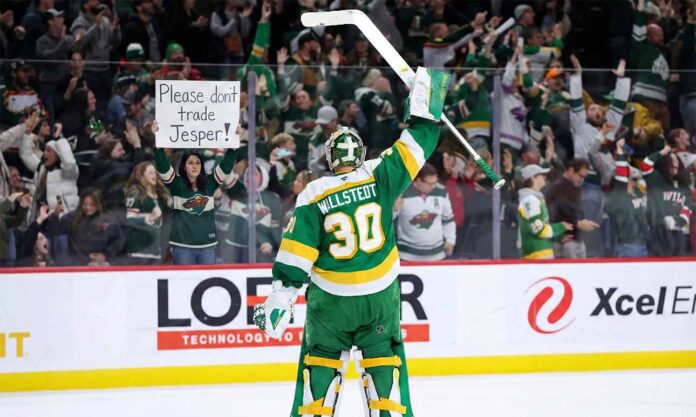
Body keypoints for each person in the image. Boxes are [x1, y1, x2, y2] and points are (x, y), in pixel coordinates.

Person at [253, 67, 450, 417]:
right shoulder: (379, 174)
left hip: (331, 303)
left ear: (330, 160)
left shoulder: (315, 192)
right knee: (385, 373)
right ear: (360, 155)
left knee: (320, 370)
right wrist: (429, 96)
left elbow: (298, 250)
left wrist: (282, 295)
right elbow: (420, 138)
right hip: (379, 299)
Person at [152, 122, 239, 265]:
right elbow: (163, 168)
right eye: (190, 163)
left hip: (208, 247)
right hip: (182, 247)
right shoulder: (177, 184)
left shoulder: (210, 183)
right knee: (183, 284)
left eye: (198, 163)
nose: (194, 166)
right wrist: (158, 140)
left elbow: (226, 167)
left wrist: (234, 143)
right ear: (184, 167)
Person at [395, 162, 456, 261]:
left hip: (437, 255)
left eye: (435, 182)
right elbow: (387, 222)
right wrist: (394, 210)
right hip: (407, 256)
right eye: (430, 183)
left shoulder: (441, 191)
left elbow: (448, 219)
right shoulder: (401, 192)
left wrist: (450, 240)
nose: (434, 186)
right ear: (418, 181)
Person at [641, 144, 693, 256]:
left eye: (676, 159)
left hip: (679, 234)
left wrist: (677, 221)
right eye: (672, 159)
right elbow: (645, 165)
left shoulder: (684, 187)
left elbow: (688, 208)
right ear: (665, 163)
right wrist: (662, 152)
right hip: (657, 233)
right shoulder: (656, 179)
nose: (675, 162)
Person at [545, 158, 599, 258]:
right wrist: (577, 223)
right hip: (563, 241)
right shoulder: (556, 187)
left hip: (576, 239)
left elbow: (576, 210)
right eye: (580, 176)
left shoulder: (576, 189)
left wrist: (583, 221)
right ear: (571, 170)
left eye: (584, 177)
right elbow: (557, 213)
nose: (581, 180)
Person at [517, 164, 573, 259]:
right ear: (533, 178)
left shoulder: (535, 198)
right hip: (536, 254)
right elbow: (538, 230)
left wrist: (557, 237)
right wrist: (560, 227)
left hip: (539, 251)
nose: (545, 177)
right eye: (541, 174)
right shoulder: (530, 200)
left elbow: (539, 227)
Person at [606, 139, 649, 257]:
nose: (635, 182)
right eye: (632, 180)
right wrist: (620, 153)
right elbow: (621, 175)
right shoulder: (618, 198)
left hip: (642, 244)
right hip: (628, 246)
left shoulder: (637, 194)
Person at [62, 187, 125, 266]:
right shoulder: (71, 218)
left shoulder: (109, 219)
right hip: (78, 264)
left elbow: (118, 240)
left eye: (92, 205)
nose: (88, 208)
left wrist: (105, 255)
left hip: (102, 265)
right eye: (85, 204)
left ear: (98, 204)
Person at [124, 161, 171, 265]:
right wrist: (149, 217)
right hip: (139, 251)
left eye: (155, 172)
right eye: (150, 172)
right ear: (141, 175)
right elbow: (129, 219)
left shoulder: (159, 195)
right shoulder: (136, 193)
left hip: (155, 251)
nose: (154, 175)